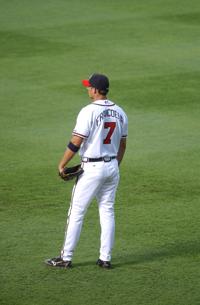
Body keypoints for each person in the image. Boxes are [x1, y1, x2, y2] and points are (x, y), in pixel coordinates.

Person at [45, 73, 128, 269]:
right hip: (112, 167)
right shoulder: (121, 112)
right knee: (107, 211)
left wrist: (62, 164)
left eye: (89, 86)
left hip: (92, 168)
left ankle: (65, 258)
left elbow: (76, 141)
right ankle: (105, 258)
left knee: (77, 212)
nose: (87, 89)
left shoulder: (88, 111)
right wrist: (115, 165)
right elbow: (123, 145)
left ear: (96, 90)